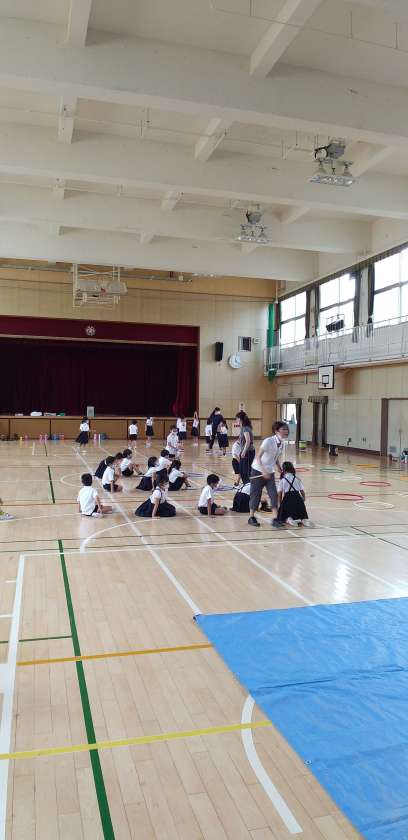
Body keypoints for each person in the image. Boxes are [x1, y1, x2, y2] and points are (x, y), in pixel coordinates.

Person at [248, 421, 289, 528]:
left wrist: (279, 467)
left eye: (286, 429)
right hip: (258, 470)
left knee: (274, 494)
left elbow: (275, 457)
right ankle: (251, 517)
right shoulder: (268, 441)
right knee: (256, 495)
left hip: (270, 472)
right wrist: (263, 471)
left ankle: (275, 519)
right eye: (283, 429)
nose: (286, 431)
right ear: (276, 431)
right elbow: (258, 457)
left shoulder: (282, 443)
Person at [276, 462, 312, 527]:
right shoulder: (297, 479)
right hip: (298, 498)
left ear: (283, 470)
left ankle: (290, 519)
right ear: (292, 469)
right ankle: (304, 519)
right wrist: (303, 499)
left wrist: (280, 504)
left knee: (281, 515)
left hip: (288, 499)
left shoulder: (282, 480)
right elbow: (302, 491)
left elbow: (279, 494)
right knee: (302, 513)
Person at [235, 411, 255, 484]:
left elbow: (248, 441)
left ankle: (248, 486)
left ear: (240, 419)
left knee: (246, 472)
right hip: (245, 451)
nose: (236, 420)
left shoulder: (245, 428)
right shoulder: (243, 428)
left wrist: (243, 452)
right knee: (242, 471)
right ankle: (246, 485)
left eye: (236, 419)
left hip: (248, 452)